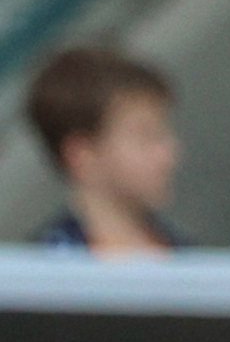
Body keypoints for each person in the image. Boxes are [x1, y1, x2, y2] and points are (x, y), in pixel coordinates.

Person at [25, 46, 183, 253]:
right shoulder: (45, 274)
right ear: (82, 156)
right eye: (145, 137)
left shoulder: (187, 258)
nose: (168, 155)